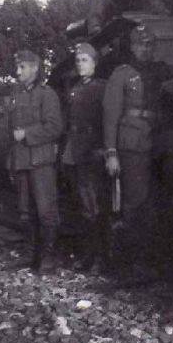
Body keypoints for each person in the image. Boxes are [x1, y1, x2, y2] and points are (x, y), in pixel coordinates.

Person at [103, 25, 170, 272]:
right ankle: (133, 261)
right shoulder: (122, 74)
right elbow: (110, 116)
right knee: (135, 202)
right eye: (141, 44)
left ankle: (151, 257)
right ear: (132, 47)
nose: (145, 49)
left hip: (156, 141)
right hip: (132, 143)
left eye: (150, 44)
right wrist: (111, 152)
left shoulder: (159, 71)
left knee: (155, 201)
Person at [6, 50, 63, 274]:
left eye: (22, 67)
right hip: (21, 160)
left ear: (34, 68)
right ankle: (30, 254)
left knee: (46, 210)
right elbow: (10, 130)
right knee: (25, 211)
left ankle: (48, 257)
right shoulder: (17, 94)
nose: (17, 71)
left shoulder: (47, 95)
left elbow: (55, 127)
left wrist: (27, 134)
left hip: (40, 161)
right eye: (17, 67)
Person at [61, 43, 108, 273]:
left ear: (95, 63)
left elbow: (108, 120)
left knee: (94, 207)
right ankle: (86, 255)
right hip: (74, 151)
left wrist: (103, 148)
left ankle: (99, 258)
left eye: (85, 60)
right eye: (78, 61)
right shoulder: (74, 87)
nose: (81, 65)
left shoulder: (102, 88)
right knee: (80, 205)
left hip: (91, 151)